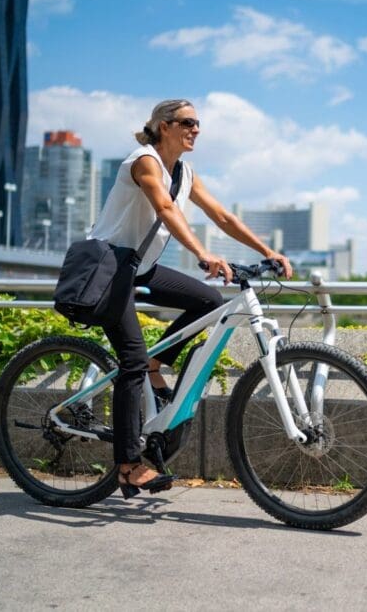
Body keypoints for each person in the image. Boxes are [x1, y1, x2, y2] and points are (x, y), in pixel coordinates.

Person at [88, 98, 293, 498]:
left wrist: (266, 252)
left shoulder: (184, 172)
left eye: (199, 123)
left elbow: (223, 217)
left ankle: (156, 363)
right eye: (188, 122)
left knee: (210, 303)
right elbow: (163, 207)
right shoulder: (144, 160)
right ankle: (129, 467)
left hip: (139, 267)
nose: (196, 129)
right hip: (109, 267)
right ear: (164, 125)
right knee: (128, 364)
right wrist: (203, 254)